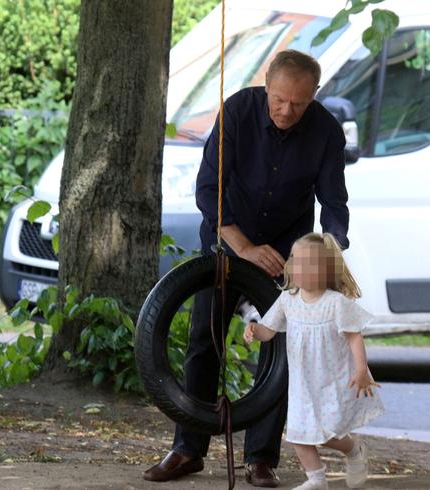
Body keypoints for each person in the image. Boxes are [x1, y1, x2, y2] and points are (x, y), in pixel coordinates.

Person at [143, 49, 350, 488]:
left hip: (285, 253)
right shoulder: (237, 110)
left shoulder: (327, 132)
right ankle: (187, 450)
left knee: (279, 352)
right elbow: (207, 189)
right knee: (204, 340)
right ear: (266, 85)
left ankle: (261, 459)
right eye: (279, 99)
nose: (286, 110)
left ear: (314, 95)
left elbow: (333, 202)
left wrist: (329, 254)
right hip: (227, 239)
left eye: (298, 103)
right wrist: (242, 246)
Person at [243, 232, 384, 490]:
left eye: (309, 263)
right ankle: (316, 479)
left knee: (328, 433)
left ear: (325, 270)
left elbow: (354, 337)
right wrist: (254, 330)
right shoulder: (288, 299)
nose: (299, 267)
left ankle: (354, 450)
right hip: (301, 384)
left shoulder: (335, 303)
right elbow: (269, 330)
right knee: (299, 433)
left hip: (332, 381)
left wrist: (362, 370)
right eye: (296, 260)